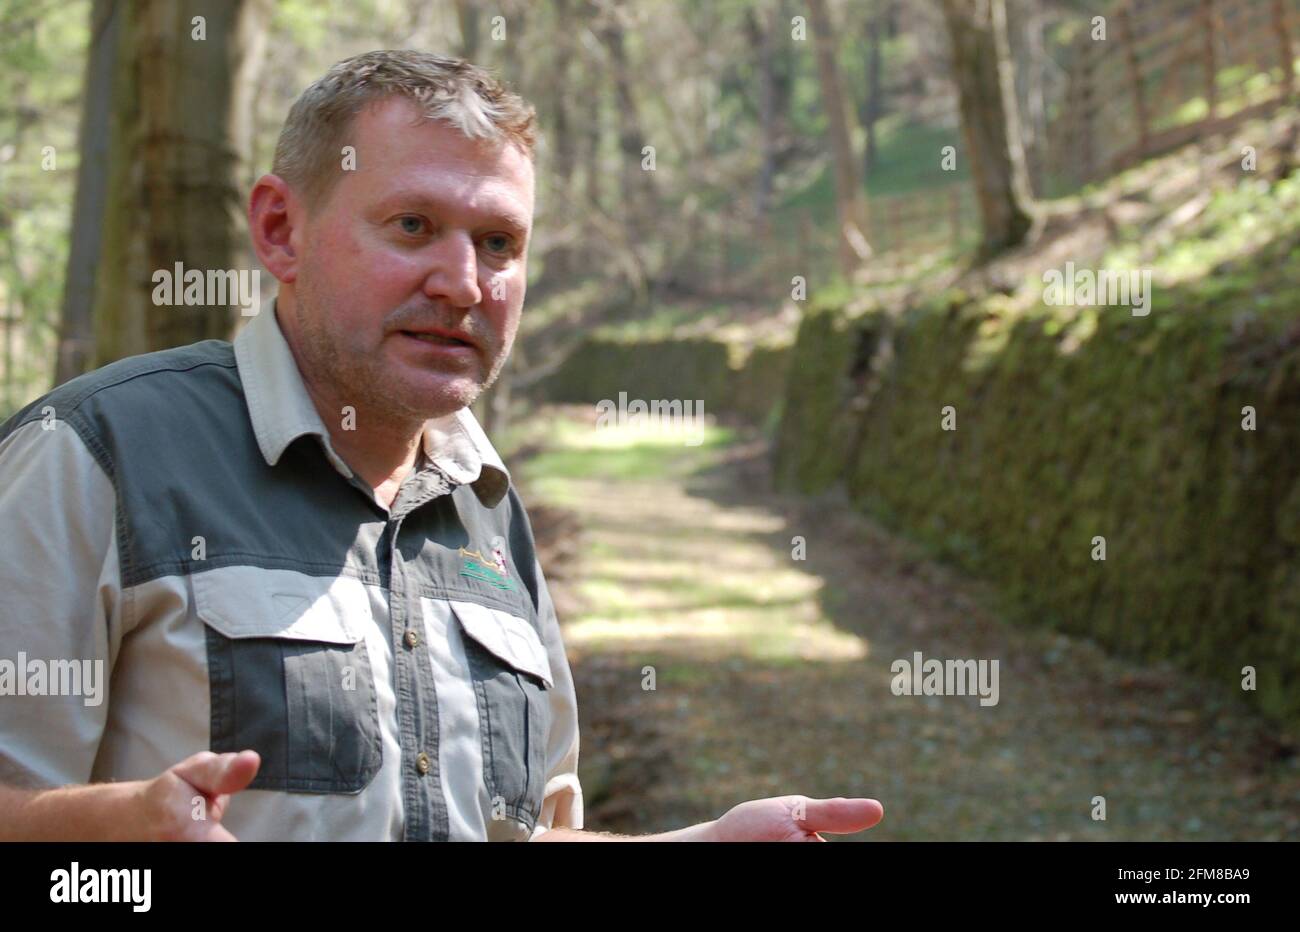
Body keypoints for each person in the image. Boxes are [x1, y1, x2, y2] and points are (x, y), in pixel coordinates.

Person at [0, 49, 884, 842]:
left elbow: (531, 836)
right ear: (279, 231)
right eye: (413, 227)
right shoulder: (93, 459)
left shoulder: (488, 512)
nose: (463, 283)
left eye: (498, 243)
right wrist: (118, 838)